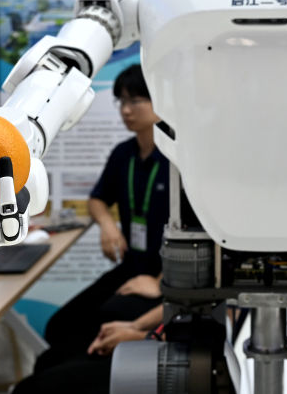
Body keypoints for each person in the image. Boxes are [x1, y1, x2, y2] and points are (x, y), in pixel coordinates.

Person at [30, 64, 171, 376]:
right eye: (122, 101)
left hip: (166, 278)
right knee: (59, 326)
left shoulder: (178, 160)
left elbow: (196, 229)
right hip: (132, 267)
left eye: (136, 100)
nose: (126, 110)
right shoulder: (124, 154)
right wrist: (107, 225)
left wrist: (161, 283)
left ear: (161, 100)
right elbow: (97, 199)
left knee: (93, 328)